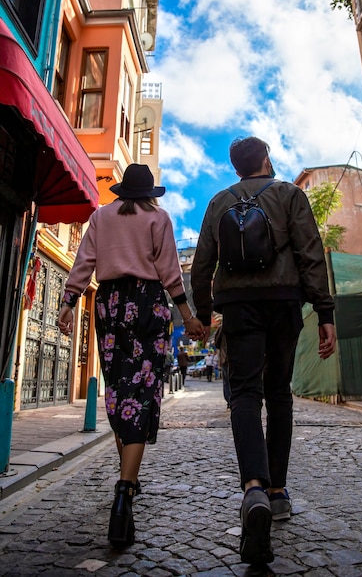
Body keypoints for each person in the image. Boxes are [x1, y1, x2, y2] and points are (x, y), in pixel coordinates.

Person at [191, 137, 336, 567]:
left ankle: (253, 486)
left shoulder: (219, 201)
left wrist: (203, 312)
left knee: (245, 393)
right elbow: (311, 252)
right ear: (266, 160)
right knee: (279, 393)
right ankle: (277, 493)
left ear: (237, 168)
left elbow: (202, 262)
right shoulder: (290, 195)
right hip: (285, 302)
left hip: (238, 306)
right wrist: (324, 310)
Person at [58, 164, 204, 549]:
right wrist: (186, 316)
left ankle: (130, 479)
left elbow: (84, 262)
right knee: (140, 395)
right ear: (149, 194)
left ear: (122, 190)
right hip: (147, 307)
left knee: (120, 393)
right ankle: (124, 492)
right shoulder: (159, 218)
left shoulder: (101, 216)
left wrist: (69, 302)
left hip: (108, 305)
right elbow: (171, 272)